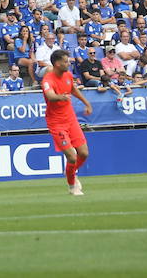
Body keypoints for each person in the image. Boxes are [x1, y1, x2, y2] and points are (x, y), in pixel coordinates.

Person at [42, 49, 93, 196]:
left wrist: (86, 102)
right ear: (57, 64)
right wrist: (60, 97)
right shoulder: (48, 80)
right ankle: (72, 185)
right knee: (72, 156)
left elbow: (73, 89)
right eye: (65, 61)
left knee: (84, 153)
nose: (69, 63)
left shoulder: (68, 75)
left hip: (71, 120)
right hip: (56, 123)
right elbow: (50, 95)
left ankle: (70, 171)